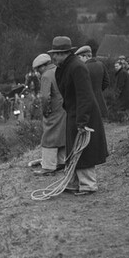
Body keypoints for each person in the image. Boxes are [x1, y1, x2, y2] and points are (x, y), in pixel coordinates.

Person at [48, 36, 108, 195]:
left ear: (65, 53)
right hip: (74, 113)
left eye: (56, 53)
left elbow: (85, 96)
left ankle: (88, 184)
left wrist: (82, 121)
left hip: (84, 115)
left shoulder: (77, 68)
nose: (53, 57)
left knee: (84, 150)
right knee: (73, 150)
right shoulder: (65, 67)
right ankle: (73, 182)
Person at [32, 53, 66, 175]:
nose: (37, 73)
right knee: (62, 135)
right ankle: (62, 162)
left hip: (54, 110)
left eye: (37, 69)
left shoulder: (46, 75)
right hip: (64, 108)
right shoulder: (59, 70)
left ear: (42, 67)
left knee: (49, 137)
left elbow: (45, 97)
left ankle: (48, 167)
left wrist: (45, 112)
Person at [80, 40, 110, 121]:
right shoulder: (101, 64)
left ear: (85, 56)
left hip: (87, 102)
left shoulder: (83, 68)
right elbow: (107, 82)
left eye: (80, 57)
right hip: (100, 99)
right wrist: (99, 89)